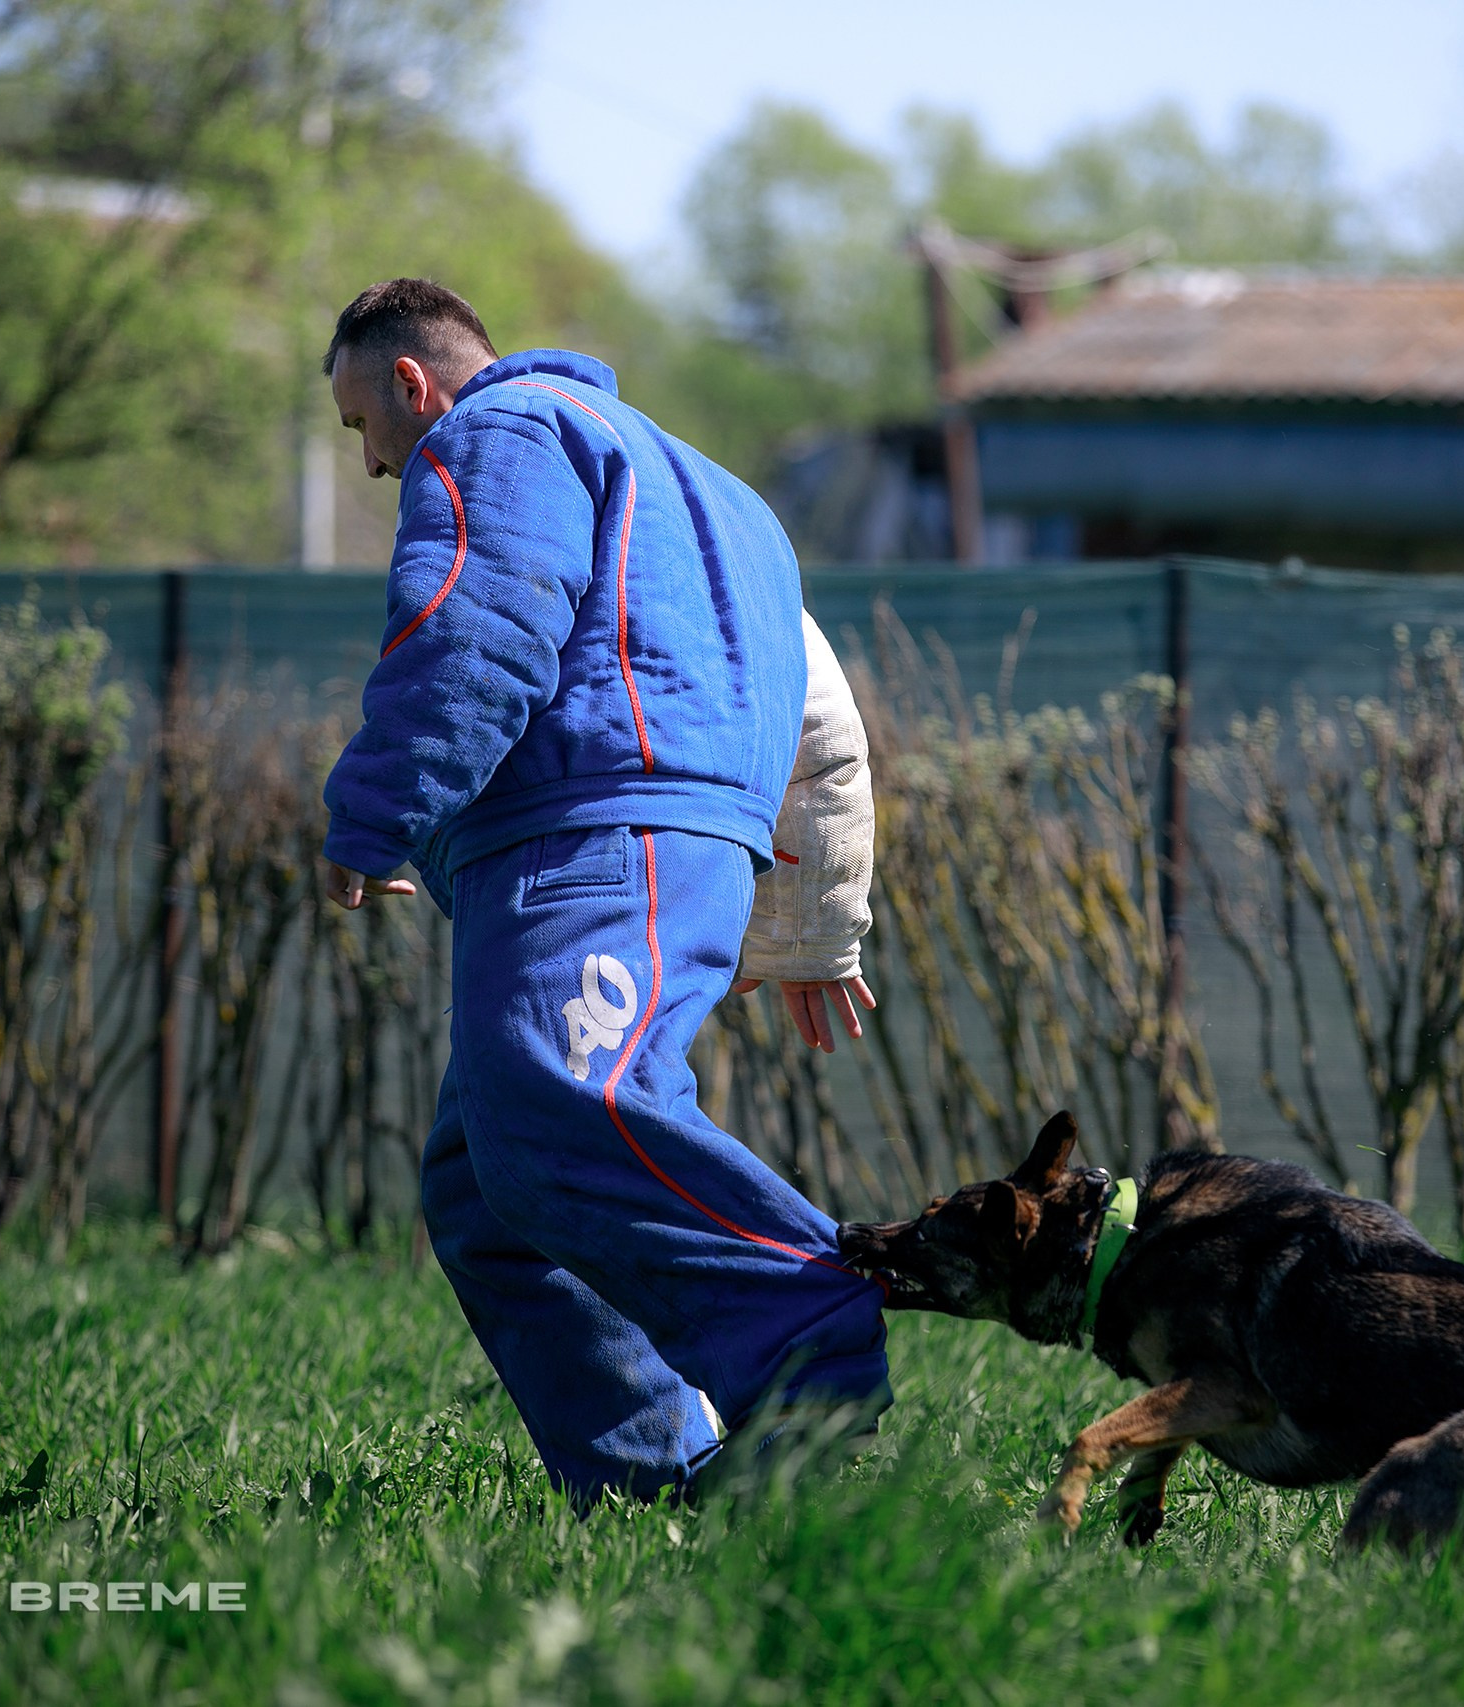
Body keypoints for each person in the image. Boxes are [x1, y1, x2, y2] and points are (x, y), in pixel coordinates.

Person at [316, 278, 888, 1509]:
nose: (371, 465)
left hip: (589, 832)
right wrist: (817, 929)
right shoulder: (723, 493)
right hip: (694, 849)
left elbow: (478, 623)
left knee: (564, 1103)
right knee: (484, 1190)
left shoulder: (499, 435)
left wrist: (376, 812)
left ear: (412, 384)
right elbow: (823, 717)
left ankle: (805, 1333)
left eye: (364, 425)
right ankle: (658, 1480)